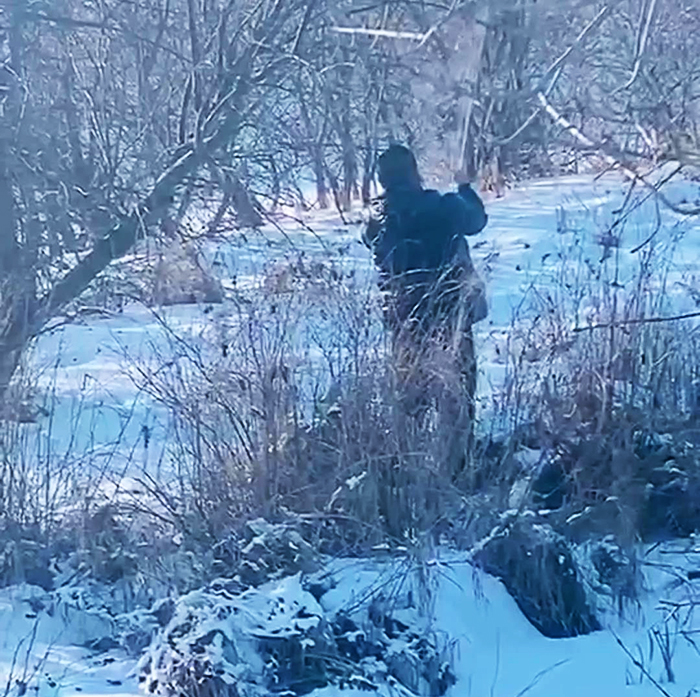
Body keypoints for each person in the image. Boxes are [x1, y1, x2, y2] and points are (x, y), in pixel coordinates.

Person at [362, 144, 488, 478]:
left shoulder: (374, 218)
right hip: (450, 318)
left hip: (405, 321)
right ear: (413, 172)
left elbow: (371, 239)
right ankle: (457, 472)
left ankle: (410, 474)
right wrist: (464, 187)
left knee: (410, 400)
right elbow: (475, 220)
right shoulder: (441, 207)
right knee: (457, 397)